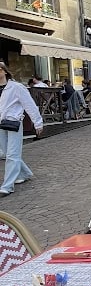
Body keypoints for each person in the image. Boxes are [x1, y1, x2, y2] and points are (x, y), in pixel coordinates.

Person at [0, 61, 43, 196]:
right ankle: (25, 173)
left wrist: (38, 123)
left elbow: (29, 104)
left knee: (12, 155)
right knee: (8, 153)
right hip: (0, 125)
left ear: (5, 71)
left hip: (13, 123)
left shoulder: (16, 87)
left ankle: (7, 186)